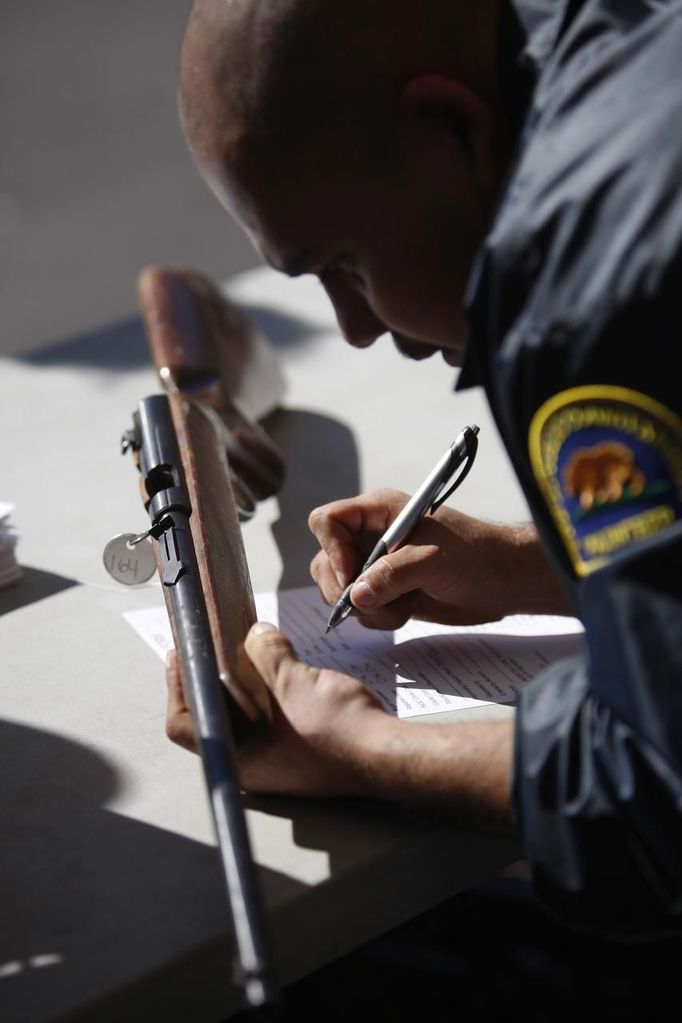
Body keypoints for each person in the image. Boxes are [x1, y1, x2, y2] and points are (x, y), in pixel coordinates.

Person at [166, 0, 682, 936]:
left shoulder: (586, 285)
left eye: (344, 265)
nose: (357, 328)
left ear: (450, 128)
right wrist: (536, 563)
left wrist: (360, 747)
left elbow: (657, 795)